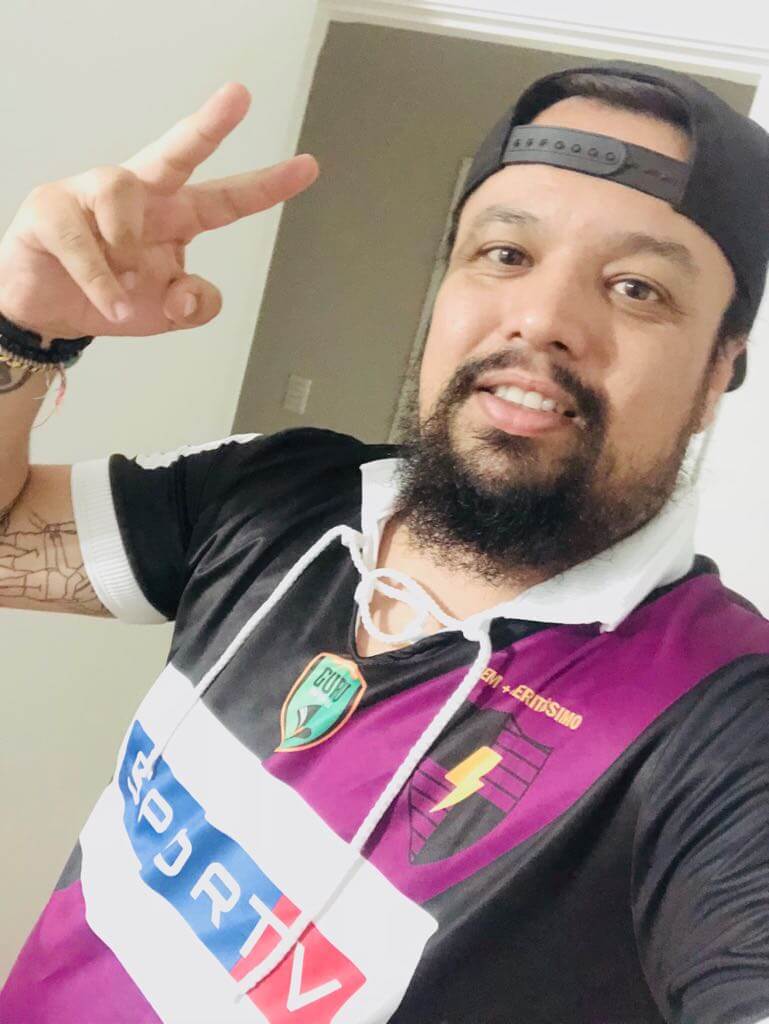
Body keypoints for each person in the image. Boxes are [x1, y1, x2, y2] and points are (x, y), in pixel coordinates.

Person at [0, 58, 768, 1024]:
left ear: (718, 370)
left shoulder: (722, 724)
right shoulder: (278, 490)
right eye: (505, 254)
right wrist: (21, 331)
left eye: (635, 287)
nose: (542, 319)